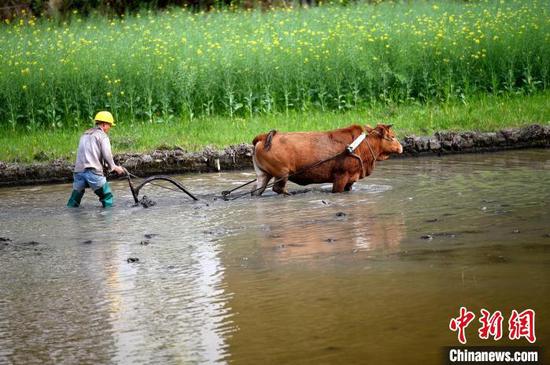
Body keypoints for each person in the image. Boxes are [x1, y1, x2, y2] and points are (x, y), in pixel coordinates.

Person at [67, 111, 125, 208]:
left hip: (78, 172)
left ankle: (70, 213)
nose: (109, 128)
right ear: (104, 124)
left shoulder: (85, 134)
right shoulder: (102, 136)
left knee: (74, 200)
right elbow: (107, 155)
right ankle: (108, 220)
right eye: (109, 125)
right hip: (92, 171)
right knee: (107, 196)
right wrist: (114, 167)